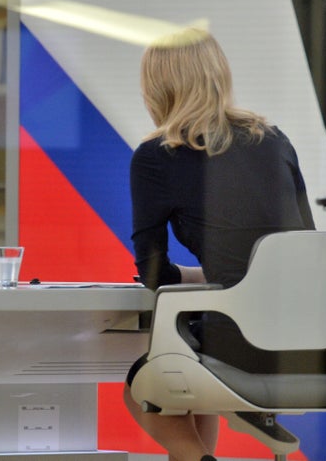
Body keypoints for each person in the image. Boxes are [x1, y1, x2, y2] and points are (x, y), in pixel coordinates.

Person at [123, 28, 315, 461]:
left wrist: (196, 278)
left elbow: (154, 273)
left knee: (142, 387)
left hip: (238, 337)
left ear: (157, 87)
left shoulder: (157, 156)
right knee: (188, 372)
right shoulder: (273, 139)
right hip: (304, 337)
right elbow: (304, 248)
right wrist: (217, 275)